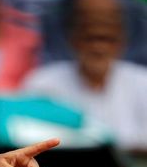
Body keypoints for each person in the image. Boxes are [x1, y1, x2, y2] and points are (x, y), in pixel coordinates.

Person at [24, 9, 147, 150]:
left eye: (107, 39)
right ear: (74, 42)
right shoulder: (43, 83)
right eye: (90, 38)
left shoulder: (143, 82)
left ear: (121, 44)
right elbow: (31, 139)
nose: (98, 47)